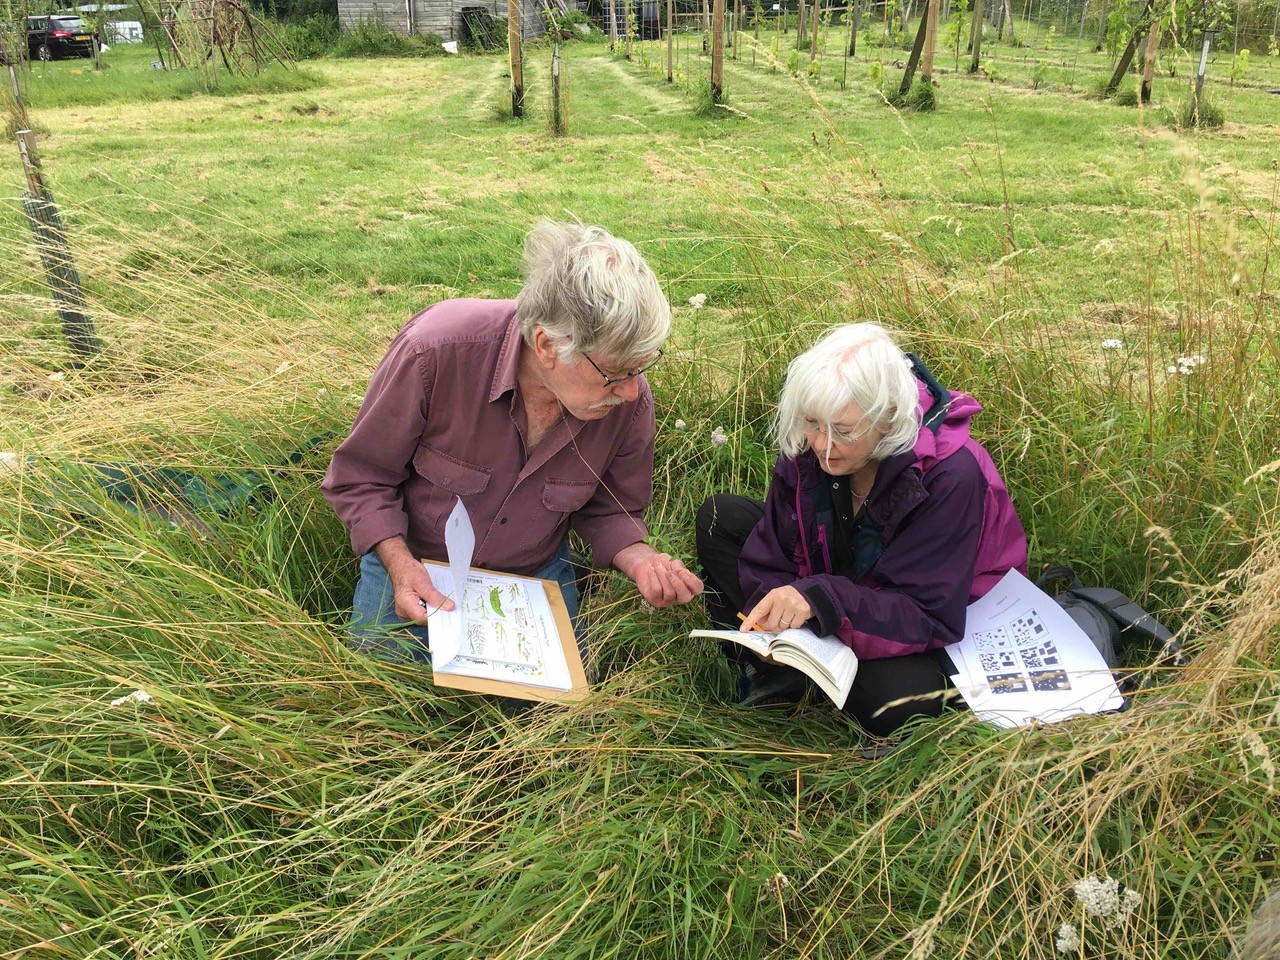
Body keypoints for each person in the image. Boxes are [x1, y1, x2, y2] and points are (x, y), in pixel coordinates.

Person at [323, 220, 703, 662]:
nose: (633, 391)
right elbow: (362, 478)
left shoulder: (625, 400)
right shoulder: (435, 352)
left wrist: (641, 560)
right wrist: (399, 565)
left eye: (642, 368)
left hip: (534, 579)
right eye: (616, 372)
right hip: (416, 566)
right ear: (547, 346)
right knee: (379, 695)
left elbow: (612, 509)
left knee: (561, 706)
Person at [695, 323, 1028, 737]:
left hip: (943, 620)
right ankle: (780, 668)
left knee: (884, 700)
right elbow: (775, 550)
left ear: (887, 419)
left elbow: (926, 614)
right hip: (851, 592)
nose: (822, 445)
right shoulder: (807, 447)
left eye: (844, 430)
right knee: (721, 519)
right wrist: (772, 619)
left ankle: (806, 678)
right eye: (813, 423)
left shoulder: (949, 475)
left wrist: (822, 600)